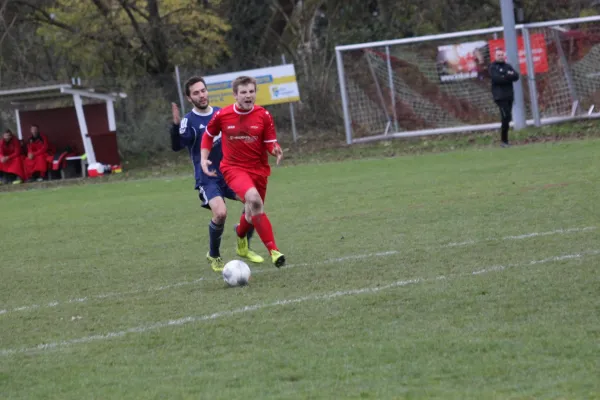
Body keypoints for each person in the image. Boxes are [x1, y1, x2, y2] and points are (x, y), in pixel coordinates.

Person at [170, 76, 264, 272]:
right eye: (196, 93)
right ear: (189, 98)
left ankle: (243, 243)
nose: (201, 95)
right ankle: (214, 254)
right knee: (220, 214)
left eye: (203, 90)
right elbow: (178, 145)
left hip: (231, 173)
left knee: (254, 203)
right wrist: (175, 126)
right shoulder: (189, 120)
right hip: (208, 177)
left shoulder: (222, 114)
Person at [201, 76, 286, 268]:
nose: (248, 96)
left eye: (251, 91)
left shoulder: (263, 115)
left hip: (259, 170)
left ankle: (241, 239)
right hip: (233, 168)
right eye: (244, 92)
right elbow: (208, 135)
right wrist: (203, 158)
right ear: (235, 95)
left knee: (250, 214)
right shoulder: (223, 115)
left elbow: (270, 142)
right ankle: (274, 251)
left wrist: (276, 150)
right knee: (254, 200)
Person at [489, 48, 520, 147]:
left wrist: (505, 76)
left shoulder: (508, 66)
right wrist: (507, 76)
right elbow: (497, 79)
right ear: (495, 56)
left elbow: (516, 76)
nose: (500, 56)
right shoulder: (493, 67)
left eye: (502, 55)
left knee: (508, 118)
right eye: (498, 55)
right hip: (499, 97)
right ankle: (504, 141)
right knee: (505, 117)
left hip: (509, 95)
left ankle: (504, 141)